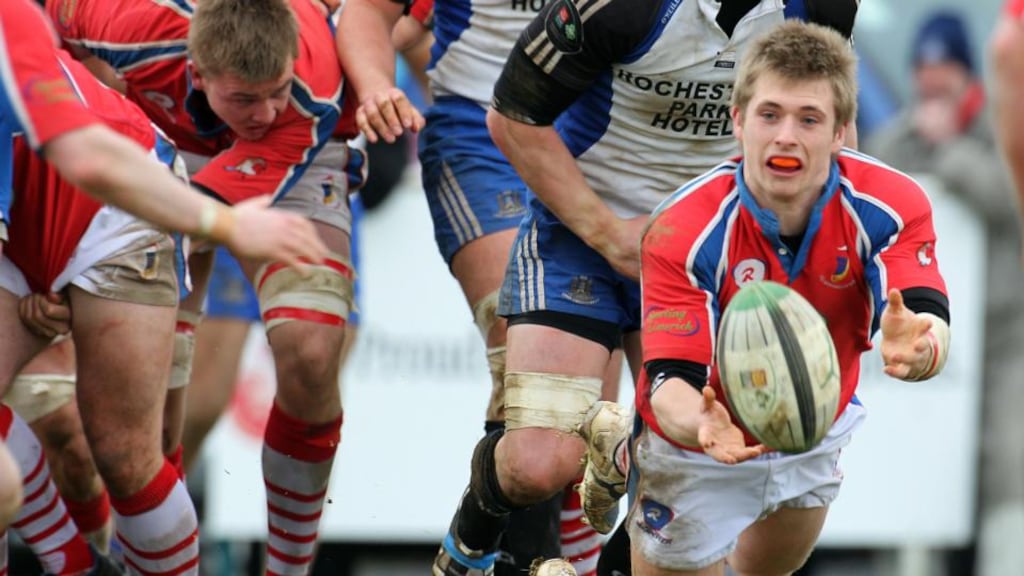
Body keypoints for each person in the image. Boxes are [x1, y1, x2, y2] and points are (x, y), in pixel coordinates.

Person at [386, 0, 859, 574]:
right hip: (582, 227)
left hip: (704, 248)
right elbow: (509, 117)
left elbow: (834, 121)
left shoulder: (824, 6)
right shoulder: (622, 6)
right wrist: (609, 235)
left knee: (700, 461)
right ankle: (474, 533)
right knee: (539, 464)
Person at [565, 21, 953, 576]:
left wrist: (922, 349)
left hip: (811, 434)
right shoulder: (684, 228)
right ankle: (634, 454)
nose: (786, 136)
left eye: (809, 119)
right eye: (770, 115)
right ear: (739, 121)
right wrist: (699, 424)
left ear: (841, 131)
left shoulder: (891, 203)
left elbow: (927, 315)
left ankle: (623, 453)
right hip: (697, 444)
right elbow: (670, 377)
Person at [49, 0, 364, 573]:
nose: (262, 111)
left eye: (274, 90)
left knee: (313, 350)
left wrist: (74, 261)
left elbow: (217, 212)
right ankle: (130, 560)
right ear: (198, 69)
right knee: (153, 405)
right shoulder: (125, 21)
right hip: (165, 145)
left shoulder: (305, 92)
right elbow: (39, 52)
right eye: (245, 97)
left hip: (299, 155)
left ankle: (289, 568)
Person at [336, 0, 629, 572]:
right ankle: (530, 561)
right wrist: (375, 85)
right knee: (520, 337)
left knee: (594, 407)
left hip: (597, 149)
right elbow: (372, 14)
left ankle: (476, 538)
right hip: (481, 132)